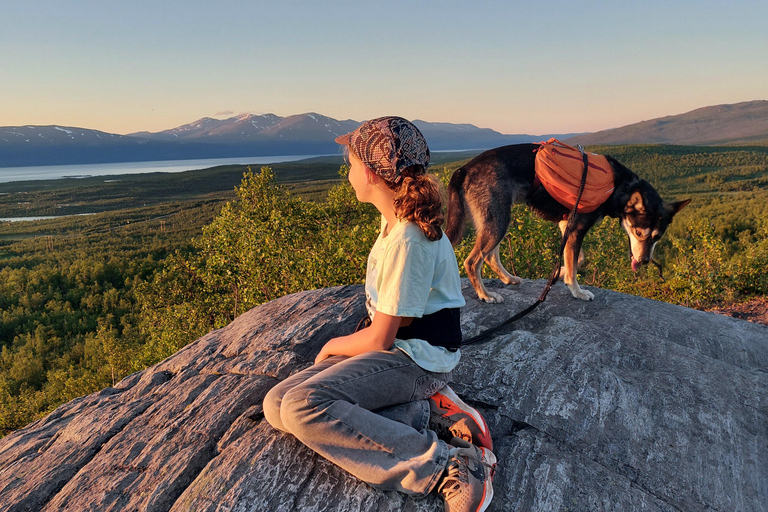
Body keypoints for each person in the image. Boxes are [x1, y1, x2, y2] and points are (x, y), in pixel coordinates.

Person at [263, 116, 496, 512]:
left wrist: (334, 345)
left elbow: (381, 338)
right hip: (396, 352)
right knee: (277, 403)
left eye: (352, 164)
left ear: (371, 174)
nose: (348, 173)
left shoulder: (408, 238)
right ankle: (419, 413)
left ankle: (446, 466)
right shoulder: (393, 221)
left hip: (416, 360)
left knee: (304, 406)